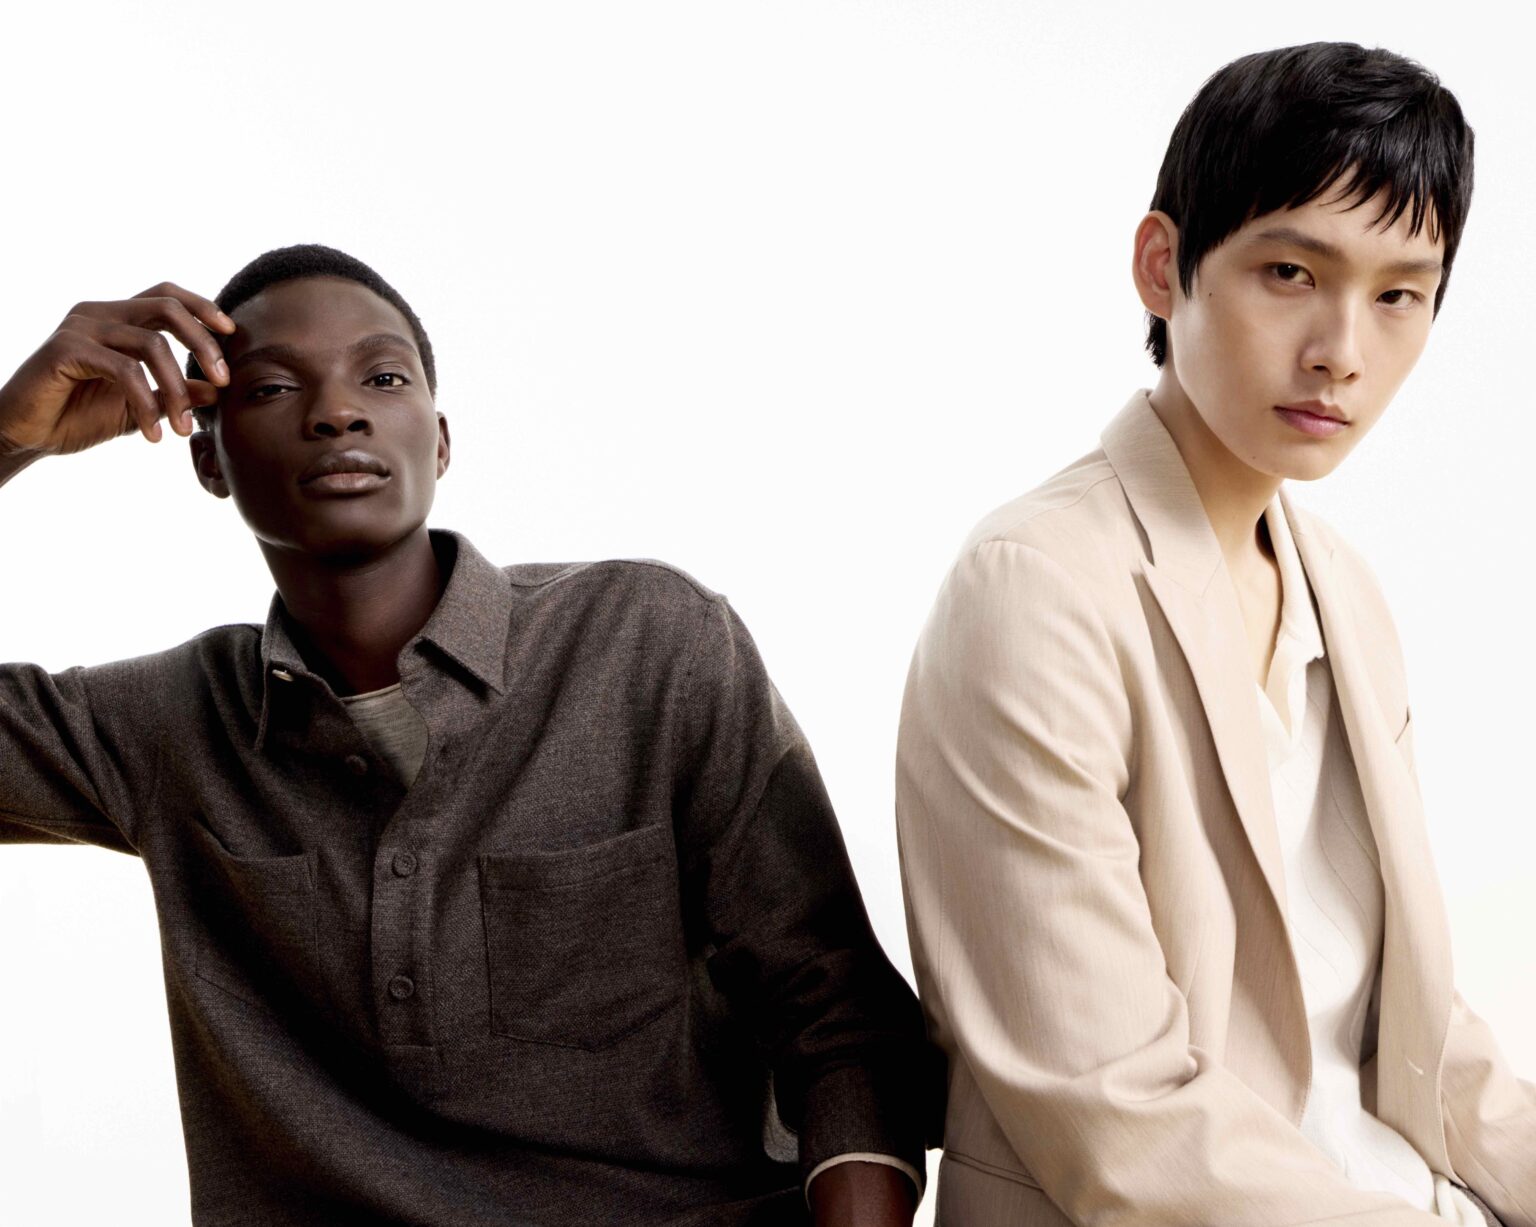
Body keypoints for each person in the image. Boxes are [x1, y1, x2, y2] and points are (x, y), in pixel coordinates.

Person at [0, 244, 932, 1226]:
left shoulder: (648, 642)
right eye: (274, 387)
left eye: (383, 377)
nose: (338, 412)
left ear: (439, 443)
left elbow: (834, 1011)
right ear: (208, 459)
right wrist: (8, 435)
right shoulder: (172, 726)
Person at [895, 41, 1534, 1227]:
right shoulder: (1035, 593)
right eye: (1292, 272)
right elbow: (1116, 1118)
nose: (1343, 350)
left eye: (1399, 295)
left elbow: (1415, 1029)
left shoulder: (1345, 593)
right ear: (1163, 266)